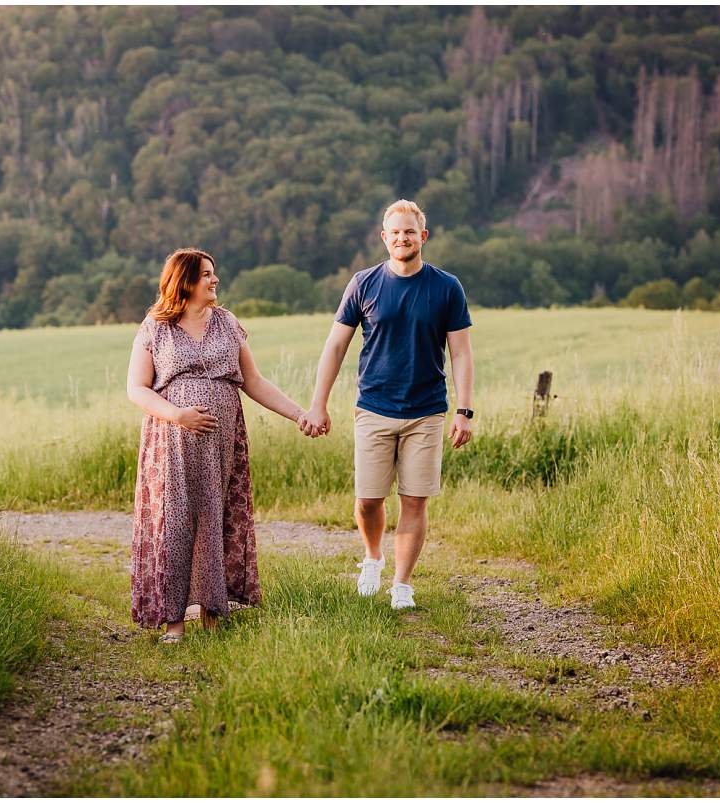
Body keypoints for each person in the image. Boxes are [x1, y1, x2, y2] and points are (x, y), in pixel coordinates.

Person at [299, 200, 474, 610]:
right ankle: (373, 558)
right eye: (395, 232)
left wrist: (464, 411)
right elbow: (336, 344)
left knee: (414, 499)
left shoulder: (447, 287)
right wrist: (317, 404)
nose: (402, 238)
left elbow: (461, 353)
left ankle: (402, 585)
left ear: (423, 237)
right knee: (368, 500)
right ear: (384, 238)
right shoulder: (363, 283)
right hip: (374, 408)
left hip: (427, 411)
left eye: (410, 232)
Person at [127, 247, 308, 643]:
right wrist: (178, 415)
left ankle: (213, 613)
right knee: (174, 524)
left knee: (216, 518)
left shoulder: (227, 322)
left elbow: (255, 382)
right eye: (207, 274)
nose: (215, 280)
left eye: (214, 273)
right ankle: (173, 622)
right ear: (185, 281)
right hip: (172, 441)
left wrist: (299, 414)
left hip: (223, 441)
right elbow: (136, 388)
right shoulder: (156, 327)